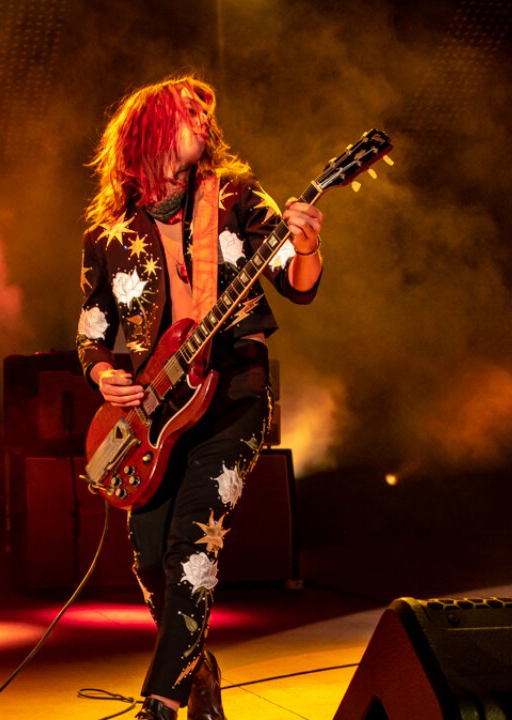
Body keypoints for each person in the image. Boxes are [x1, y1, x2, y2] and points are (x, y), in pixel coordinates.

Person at [75, 75, 324, 720]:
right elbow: (91, 330)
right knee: (151, 558)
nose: (204, 121)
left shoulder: (235, 196)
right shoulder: (107, 234)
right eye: (188, 112)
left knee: (194, 547)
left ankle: (160, 701)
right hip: (150, 417)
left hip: (232, 394)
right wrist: (105, 377)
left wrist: (308, 245)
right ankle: (197, 664)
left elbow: (294, 283)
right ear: (152, 129)